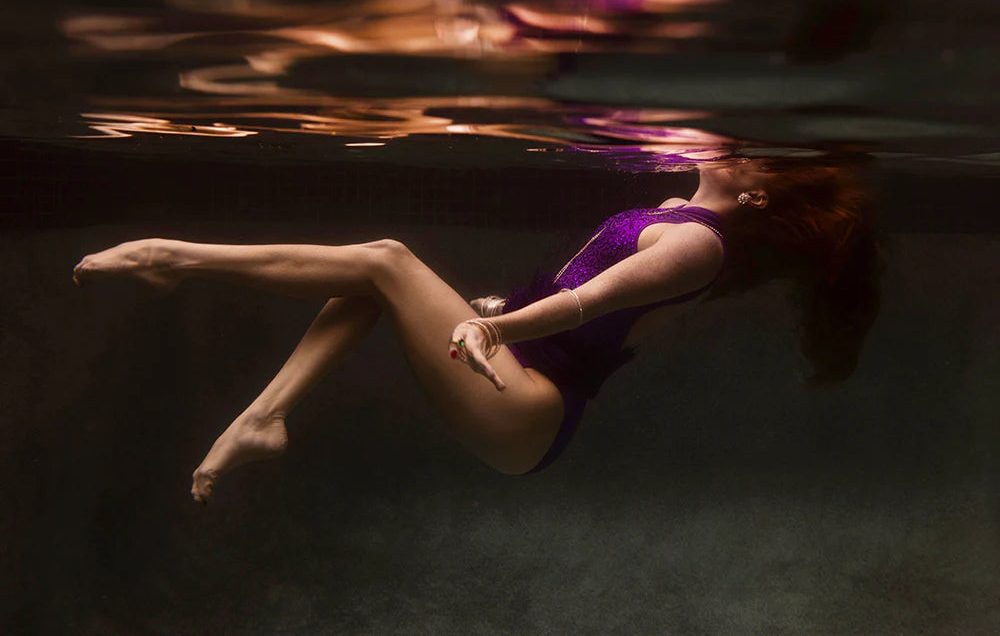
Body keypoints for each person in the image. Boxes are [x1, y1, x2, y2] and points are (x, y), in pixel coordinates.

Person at [72, 157, 880, 504]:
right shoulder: (682, 211)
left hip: (527, 406)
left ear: (763, 192)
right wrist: (492, 319)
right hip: (522, 376)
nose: (737, 142)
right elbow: (571, 291)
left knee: (386, 260)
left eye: (757, 152)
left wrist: (493, 330)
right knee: (374, 276)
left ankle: (171, 255)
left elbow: (579, 306)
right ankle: (262, 418)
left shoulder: (701, 242)